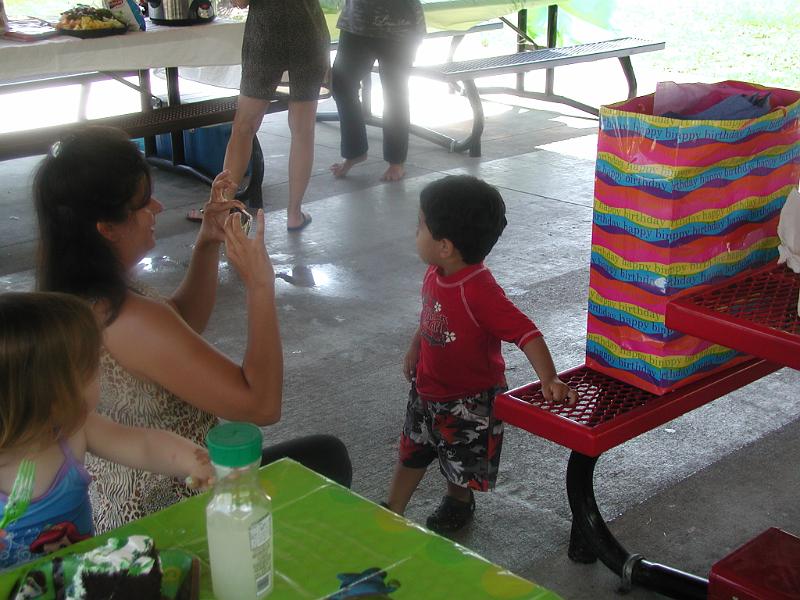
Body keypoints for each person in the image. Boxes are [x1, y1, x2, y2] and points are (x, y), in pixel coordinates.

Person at [34, 126, 352, 533]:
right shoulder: (125, 318)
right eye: (141, 203)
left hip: (132, 499)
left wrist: (206, 243)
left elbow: (178, 329)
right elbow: (261, 405)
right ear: (106, 228)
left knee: (323, 456)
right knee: (327, 460)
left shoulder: (77, 294)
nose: (158, 205)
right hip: (172, 512)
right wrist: (259, 287)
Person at [383, 175, 578, 533]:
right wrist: (415, 346)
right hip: (426, 389)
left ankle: (458, 500)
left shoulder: (480, 291)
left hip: (467, 400)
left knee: (457, 461)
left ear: (445, 246)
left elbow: (526, 333)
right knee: (413, 448)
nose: (414, 231)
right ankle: (393, 507)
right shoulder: (436, 271)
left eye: (420, 225)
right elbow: (430, 314)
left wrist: (548, 378)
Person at [0, 292, 214, 569]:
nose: (100, 375)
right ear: (54, 396)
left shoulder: (74, 433)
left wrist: (194, 461)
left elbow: (144, 445)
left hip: (79, 583)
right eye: (92, 369)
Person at [211, 0, 330, 232]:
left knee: (244, 128)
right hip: (307, 30)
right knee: (303, 130)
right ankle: (294, 214)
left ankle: (221, 210)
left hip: (266, 33)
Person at [329, 0, 426, 182]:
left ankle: (396, 160)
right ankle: (354, 151)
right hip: (357, 22)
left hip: (400, 26)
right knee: (341, 83)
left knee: (394, 91)